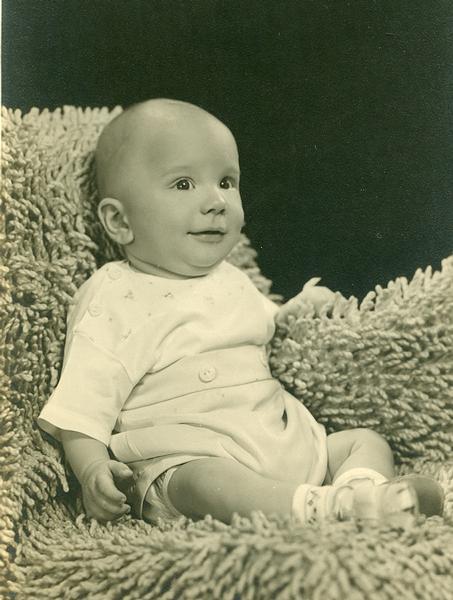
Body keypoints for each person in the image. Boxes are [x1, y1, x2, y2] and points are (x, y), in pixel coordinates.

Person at [38, 99, 443, 525]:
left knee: (365, 440)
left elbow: (268, 325)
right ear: (120, 221)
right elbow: (82, 406)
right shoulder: (114, 296)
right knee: (205, 481)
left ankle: (362, 494)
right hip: (186, 461)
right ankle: (324, 509)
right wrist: (92, 470)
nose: (216, 201)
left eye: (226, 182)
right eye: (183, 184)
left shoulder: (231, 278)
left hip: (283, 442)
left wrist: (299, 310)